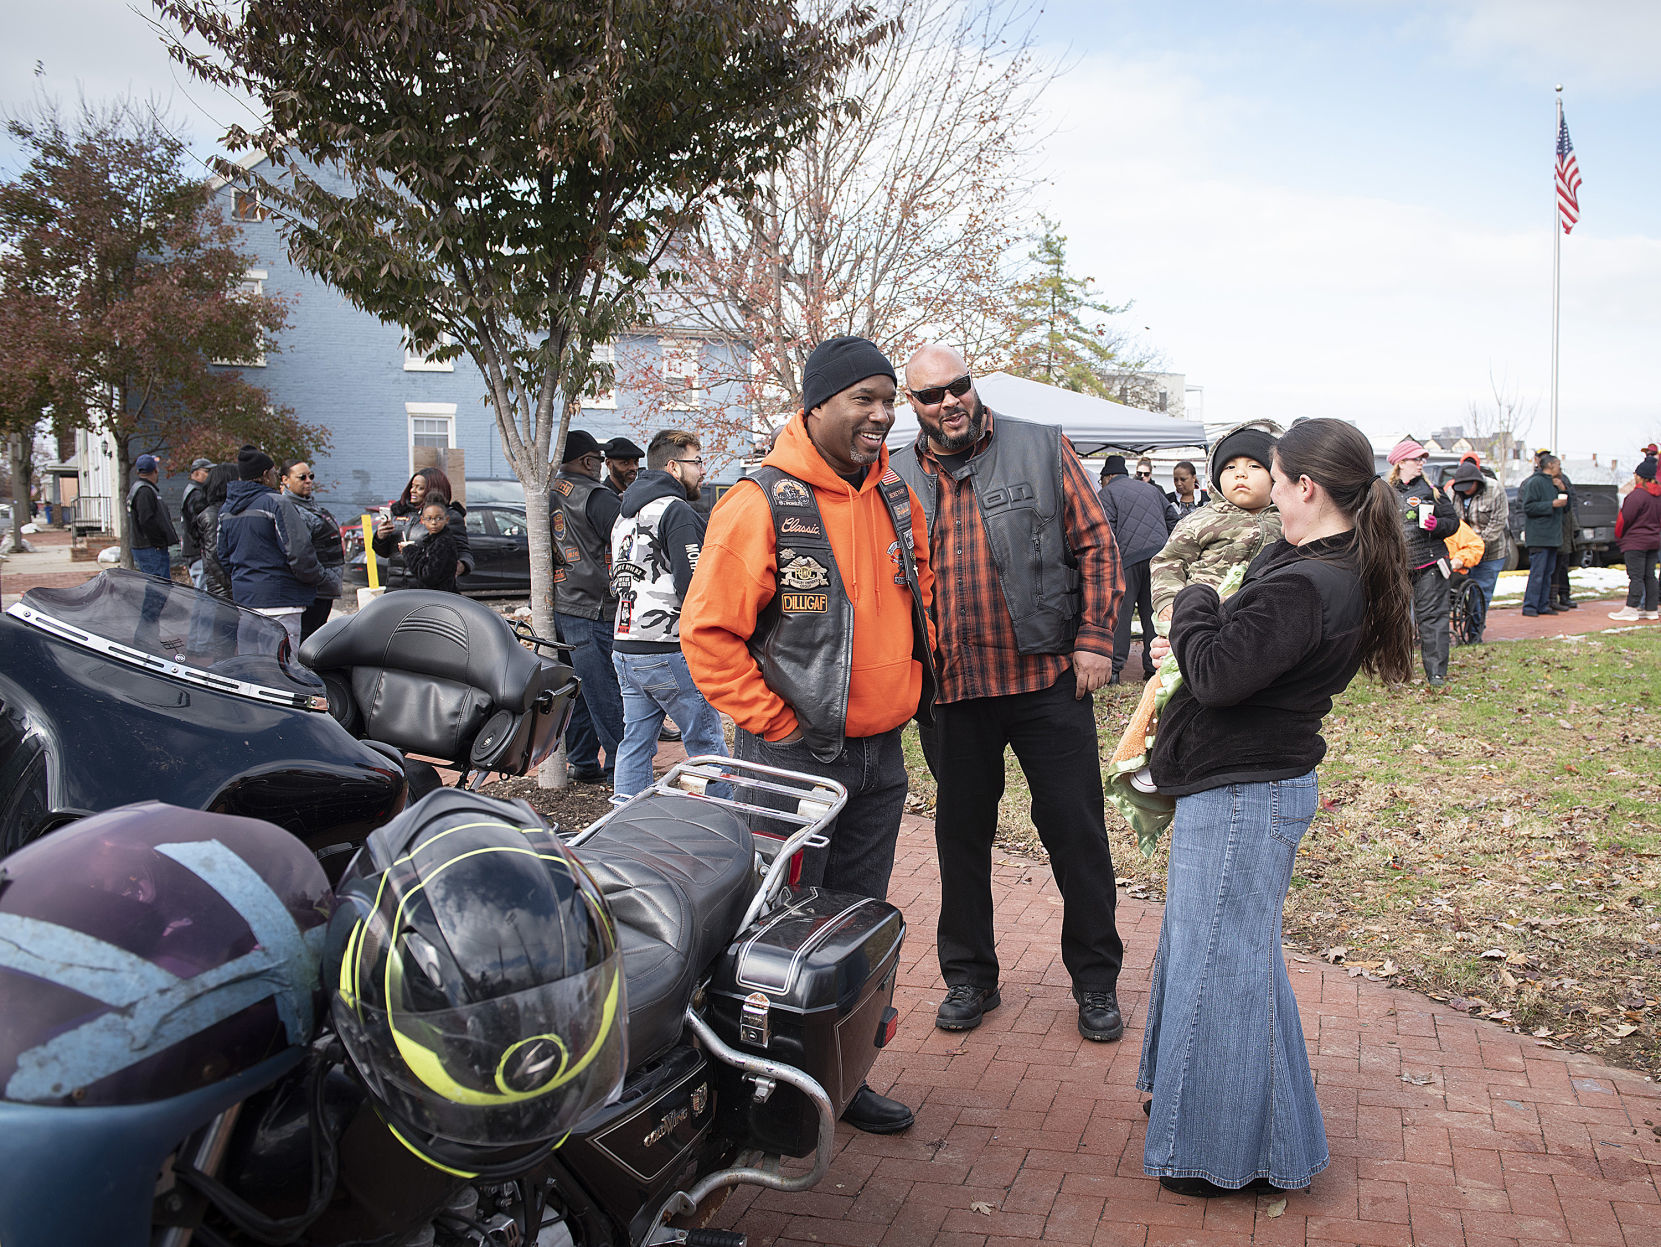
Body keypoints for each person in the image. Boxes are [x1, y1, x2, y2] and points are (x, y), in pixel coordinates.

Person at [1139, 417, 1413, 1197]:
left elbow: (1222, 674)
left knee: (1222, 971)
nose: (1260, 485)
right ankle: (1242, 1138)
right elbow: (1237, 657)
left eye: (1272, 473)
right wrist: (1196, 640)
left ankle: (1213, 1157)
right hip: (1244, 786)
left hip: (1244, 793)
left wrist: (1189, 604)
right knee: (1227, 963)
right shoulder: (1311, 562)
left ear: (1304, 486)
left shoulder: (1308, 579)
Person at [682, 335, 934, 1136]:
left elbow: (916, 593)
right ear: (816, 404)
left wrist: (911, 686)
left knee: (854, 929)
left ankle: (840, 1077)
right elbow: (707, 636)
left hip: (877, 755)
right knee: (770, 931)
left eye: (888, 399)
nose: (881, 414)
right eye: (863, 397)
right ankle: (752, 1094)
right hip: (787, 761)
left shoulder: (898, 495)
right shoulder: (758, 502)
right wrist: (780, 723)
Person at [891, 344, 1126, 1045]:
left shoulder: (1041, 446)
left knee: (1075, 835)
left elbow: (1098, 548)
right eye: (930, 395)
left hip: (1044, 681)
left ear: (973, 386)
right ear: (914, 405)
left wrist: (1095, 640)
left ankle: (1095, 983)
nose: (947, 403)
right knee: (960, 838)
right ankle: (969, 976)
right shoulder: (894, 472)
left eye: (956, 387)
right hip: (951, 692)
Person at [609, 429, 728, 795]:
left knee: (635, 744)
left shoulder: (625, 513)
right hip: (667, 650)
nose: (702, 471)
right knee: (707, 745)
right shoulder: (674, 511)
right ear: (674, 467)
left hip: (626, 648)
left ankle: (624, 823)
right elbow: (694, 586)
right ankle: (724, 825)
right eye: (697, 461)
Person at [1152, 425, 1283, 630]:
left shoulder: (1287, 521)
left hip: (1263, 623)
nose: (1240, 473)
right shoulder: (1201, 520)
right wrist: (1168, 600)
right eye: (1229, 467)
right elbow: (1169, 560)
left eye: (1254, 466)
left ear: (1276, 476)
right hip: (1203, 620)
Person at [552, 430, 626, 785]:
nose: (601, 467)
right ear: (587, 461)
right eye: (599, 460)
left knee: (578, 690)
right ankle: (620, 766)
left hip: (562, 605)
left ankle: (582, 760)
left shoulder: (547, 491)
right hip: (594, 606)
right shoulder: (595, 496)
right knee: (605, 691)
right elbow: (630, 536)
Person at [218, 446, 340, 648]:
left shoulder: (227, 510)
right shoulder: (276, 503)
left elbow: (222, 556)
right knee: (282, 667)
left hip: (246, 600)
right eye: (274, 472)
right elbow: (300, 554)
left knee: (252, 663)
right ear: (266, 475)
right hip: (282, 601)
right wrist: (317, 579)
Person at [1385, 438, 1458, 685]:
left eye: (1422, 459)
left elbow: (1453, 522)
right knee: (1396, 621)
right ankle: (1396, 673)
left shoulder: (1433, 490)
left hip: (1430, 564)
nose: (1421, 463)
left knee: (1433, 619)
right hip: (1396, 567)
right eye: (1416, 459)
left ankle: (1436, 674)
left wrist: (1438, 525)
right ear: (1401, 463)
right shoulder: (1384, 492)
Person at [1097, 454, 1171, 685]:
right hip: (1158, 558)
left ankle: (1115, 671)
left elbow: (1105, 531)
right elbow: (1174, 519)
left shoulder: (1106, 493)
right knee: (1153, 614)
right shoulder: (1151, 490)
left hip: (1127, 561)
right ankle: (1153, 669)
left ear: (1107, 477)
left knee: (1121, 614)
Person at [372, 468, 474, 586]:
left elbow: (463, 550)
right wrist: (380, 537)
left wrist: (460, 566)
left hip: (425, 587)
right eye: (412, 486)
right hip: (395, 586)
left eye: (419, 488)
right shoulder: (399, 513)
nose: (413, 491)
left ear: (433, 490)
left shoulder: (446, 516)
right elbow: (385, 552)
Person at [1444, 460, 1508, 643]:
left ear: (1477, 482)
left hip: (1490, 551)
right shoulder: (1453, 492)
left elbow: (1498, 522)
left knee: (1481, 593)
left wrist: (1476, 544)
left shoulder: (1495, 490)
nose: (1465, 491)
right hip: (1461, 550)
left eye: (1468, 487)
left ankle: (1474, 635)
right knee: (1456, 592)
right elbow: (1449, 519)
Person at [280, 460, 345, 639]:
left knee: (317, 638)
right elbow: (298, 554)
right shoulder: (290, 509)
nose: (308, 481)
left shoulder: (312, 506)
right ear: (285, 480)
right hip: (312, 591)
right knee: (306, 641)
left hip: (325, 589)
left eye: (311, 476)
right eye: (302, 477)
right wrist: (320, 577)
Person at [1609, 454, 1661, 621]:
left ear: (1639, 476)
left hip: (1635, 541)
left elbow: (1624, 519)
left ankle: (1631, 608)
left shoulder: (1636, 496)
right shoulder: (1658, 496)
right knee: (1650, 575)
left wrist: (1619, 537)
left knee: (1636, 576)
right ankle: (1651, 609)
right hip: (1653, 540)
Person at [1518, 453, 1569, 618]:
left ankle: (1543, 604)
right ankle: (1530, 606)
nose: (1560, 469)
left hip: (1553, 536)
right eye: (1558, 465)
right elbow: (1529, 507)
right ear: (1551, 466)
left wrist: (1563, 490)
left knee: (1548, 573)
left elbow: (1566, 510)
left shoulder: (1556, 484)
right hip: (1539, 536)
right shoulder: (1534, 483)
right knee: (1538, 573)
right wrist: (1551, 504)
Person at [126, 453, 178, 579]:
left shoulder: (138, 489)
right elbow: (146, 520)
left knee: (155, 589)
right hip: (151, 549)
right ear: (155, 470)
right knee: (158, 591)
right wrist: (158, 543)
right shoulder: (145, 491)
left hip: (146, 547)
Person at [401, 497, 465, 593]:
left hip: (440, 596)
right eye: (429, 518)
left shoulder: (443, 542)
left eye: (439, 518)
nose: (434, 523)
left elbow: (428, 575)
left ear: (446, 519)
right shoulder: (430, 540)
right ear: (422, 520)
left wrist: (409, 551)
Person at [194, 463, 238, 600]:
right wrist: (232, 584)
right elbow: (215, 556)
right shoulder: (212, 515)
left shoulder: (227, 511)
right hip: (225, 590)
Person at [1547, 458, 1579, 610]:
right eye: (1558, 465)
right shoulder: (1541, 482)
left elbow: (1571, 504)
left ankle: (1563, 595)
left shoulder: (1564, 480)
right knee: (1552, 567)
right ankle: (1550, 599)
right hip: (1552, 530)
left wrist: (1575, 526)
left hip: (1565, 528)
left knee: (1563, 565)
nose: (1560, 467)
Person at [179, 458, 214, 589]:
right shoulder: (196, 494)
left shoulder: (194, 491)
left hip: (195, 549)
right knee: (204, 593)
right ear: (196, 473)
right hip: (197, 551)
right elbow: (198, 524)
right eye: (207, 471)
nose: (210, 475)